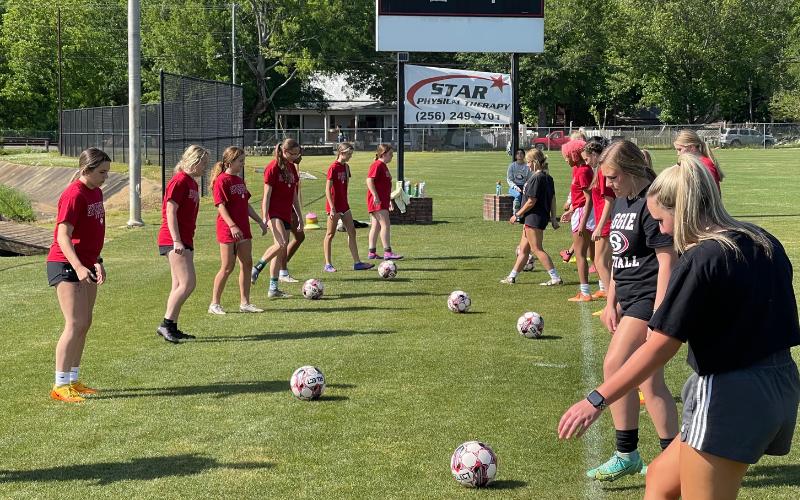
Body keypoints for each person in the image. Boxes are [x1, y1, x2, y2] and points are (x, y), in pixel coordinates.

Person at [559, 155, 800, 499]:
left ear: (683, 210)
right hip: (782, 385)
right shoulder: (763, 240)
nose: (662, 231)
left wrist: (596, 399)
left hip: (730, 394)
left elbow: (660, 346)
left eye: (661, 220)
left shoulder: (702, 258)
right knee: (660, 477)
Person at [573, 139, 680, 481]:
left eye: (614, 176)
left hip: (650, 300)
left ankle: (626, 452)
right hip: (628, 298)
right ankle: (673, 459)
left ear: (633, 170)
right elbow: (619, 260)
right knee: (651, 384)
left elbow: (668, 262)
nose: (609, 184)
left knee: (615, 365)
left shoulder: (653, 202)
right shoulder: (622, 200)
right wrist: (609, 301)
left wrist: (661, 314)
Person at [47, 148, 110, 403]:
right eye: (102, 172)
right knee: (73, 324)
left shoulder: (96, 191)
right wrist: (79, 266)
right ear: (86, 170)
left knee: (85, 323)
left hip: (86, 264)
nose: (106, 176)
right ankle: (60, 384)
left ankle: (73, 380)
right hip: (65, 264)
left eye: (107, 171)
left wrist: (96, 261)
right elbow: (63, 235)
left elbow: (90, 234)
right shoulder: (74, 194)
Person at [156, 144, 208, 342]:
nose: (205, 167)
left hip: (186, 238)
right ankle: (166, 324)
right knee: (188, 283)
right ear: (193, 161)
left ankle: (172, 326)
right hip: (173, 239)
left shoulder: (192, 183)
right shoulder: (179, 181)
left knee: (178, 284)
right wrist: (177, 240)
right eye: (203, 163)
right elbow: (170, 211)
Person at [208, 146, 267, 314]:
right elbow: (221, 206)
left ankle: (245, 303)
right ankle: (214, 304)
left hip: (243, 229)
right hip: (228, 230)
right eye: (240, 161)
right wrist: (232, 226)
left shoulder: (239, 181)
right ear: (230, 162)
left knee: (247, 264)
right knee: (227, 266)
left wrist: (260, 222)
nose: (242, 164)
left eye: (243, 161)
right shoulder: (222, 181)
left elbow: (245, 205)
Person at [500, 148, 562, 285]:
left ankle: (555, 277)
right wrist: (552, 218)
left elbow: (531, 201)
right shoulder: (548, 178)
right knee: (523, 250)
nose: (527, 165)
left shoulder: (536, 178)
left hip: (534, 218)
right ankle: (511, 277)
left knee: (537, 249)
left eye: (528, 162)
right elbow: (553, 199)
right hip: (535, 218)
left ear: (534, 162)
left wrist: (517, 214)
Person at [252, 138, 303, 298]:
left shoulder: (291, 168)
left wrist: (300, 216)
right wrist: (264, 217)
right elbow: (266, 196)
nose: (295, 157)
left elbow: (294, 194)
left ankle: (273, 288)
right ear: (284, 151)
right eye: (293, 154)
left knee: (280, 250)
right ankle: (256, 269)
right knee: (281, 245)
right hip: (274, 213)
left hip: (286, 213)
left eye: (297, 154)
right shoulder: (272, 168)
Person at [323, 142, 375, 272]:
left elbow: (344, 186)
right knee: (330, 234)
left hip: (344, 206)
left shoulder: (346, 167)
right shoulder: (333, 168)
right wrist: (332, 208)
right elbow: (328, 190)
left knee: (352, 231)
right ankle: (328, 264)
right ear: (341, 153)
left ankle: (357, 263)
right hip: (333, 206)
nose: (350, 156)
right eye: (349, 154)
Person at [559, 139, 596, 301]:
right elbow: (580, 198)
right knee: (593, 254)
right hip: (581, 211)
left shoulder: (582, 172)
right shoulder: (580, 169)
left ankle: (585, 292)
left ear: (574, 155)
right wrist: (572, 210)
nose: (566, 160)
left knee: (581, 254)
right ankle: (602, 288)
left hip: (584, 213)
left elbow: (589, 199)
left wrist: (582, 220)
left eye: (567, 156)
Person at [582, 137, 615, 302]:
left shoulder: (602, 170)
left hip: (606, 224)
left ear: (595, 154)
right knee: (605, 263)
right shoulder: (599, 170)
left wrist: (599, 226)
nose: (587, 163)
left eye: (587, 159)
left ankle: (612, 303)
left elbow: (609, 200)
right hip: (604, 222)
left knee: (601, 262)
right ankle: (613, 300)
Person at [366, 144, 402, 260]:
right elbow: (369, 180)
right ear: (383, 154)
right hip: (377, 201)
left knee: (375, 227)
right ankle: (388, 252)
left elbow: (385, 185)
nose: (392, 156)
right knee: (385, 225)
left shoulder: (384, 166)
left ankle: (372, 252)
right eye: (390, 154)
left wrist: (389, 200)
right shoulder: (377, 165)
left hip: (382, 200)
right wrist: (375, 196)